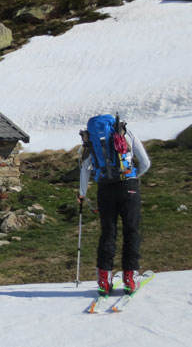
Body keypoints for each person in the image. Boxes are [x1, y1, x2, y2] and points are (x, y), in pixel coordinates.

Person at [77, 116, 151, 296]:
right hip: (128, 186)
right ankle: (130, 279)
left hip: (104, 189)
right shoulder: (126, 134)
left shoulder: (90, 140)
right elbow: (145, 163)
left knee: (108, 232)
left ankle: (104, 281)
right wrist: (133, 176)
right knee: (131, 231)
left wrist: (82, 193)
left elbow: (85, 167)